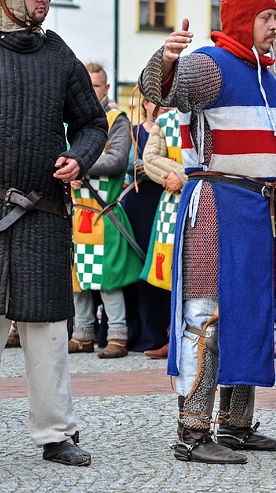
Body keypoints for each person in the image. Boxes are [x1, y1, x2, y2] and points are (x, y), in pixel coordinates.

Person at [138, 0, 276, 464]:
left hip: (258, 211)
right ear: (242, 21)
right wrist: (166, 60)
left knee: (251, 314)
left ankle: (234, 426)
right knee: (206, 315)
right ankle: (192, 431)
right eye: (267, 17)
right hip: (216, 204)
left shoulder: (267, 77)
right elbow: (166, 90)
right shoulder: (212, 63)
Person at [0, 0, 107, 472]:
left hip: (43, 211)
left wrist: (79, 158)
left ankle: (56, 432)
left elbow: (92, 123)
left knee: (47, 329)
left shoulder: (59, 55)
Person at [68, 62, 143, 359]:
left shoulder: (116, 119)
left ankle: (117, 336)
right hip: (77, 213)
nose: (89, 91)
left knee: (108, 278)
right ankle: (82, 334)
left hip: (104, 214)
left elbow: (116, 161)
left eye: (95, 86)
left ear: (106, 88)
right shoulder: (71, 120)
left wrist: (77, 163)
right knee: (79, 279)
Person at [120, 95, 174, 356]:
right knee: (135, 270)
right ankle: (133, 333)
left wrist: (153, 168)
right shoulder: (132, 132)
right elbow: (123, 165)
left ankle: (160, 334)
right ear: (144, 103)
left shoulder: (176, 128)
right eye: (155, 100)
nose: (161, 105)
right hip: (136, 204)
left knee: (161, 269)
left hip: (165, 203)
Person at [139, 106, 187, 359]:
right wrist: (181, 172)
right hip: (171, 207)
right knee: (171, 273)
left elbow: (215, 161)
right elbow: (150, 160)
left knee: (198, 273)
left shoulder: (210, 113)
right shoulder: (166, 121)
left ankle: (195, 339)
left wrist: (184, 177)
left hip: (206, 203)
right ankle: (175, 338)